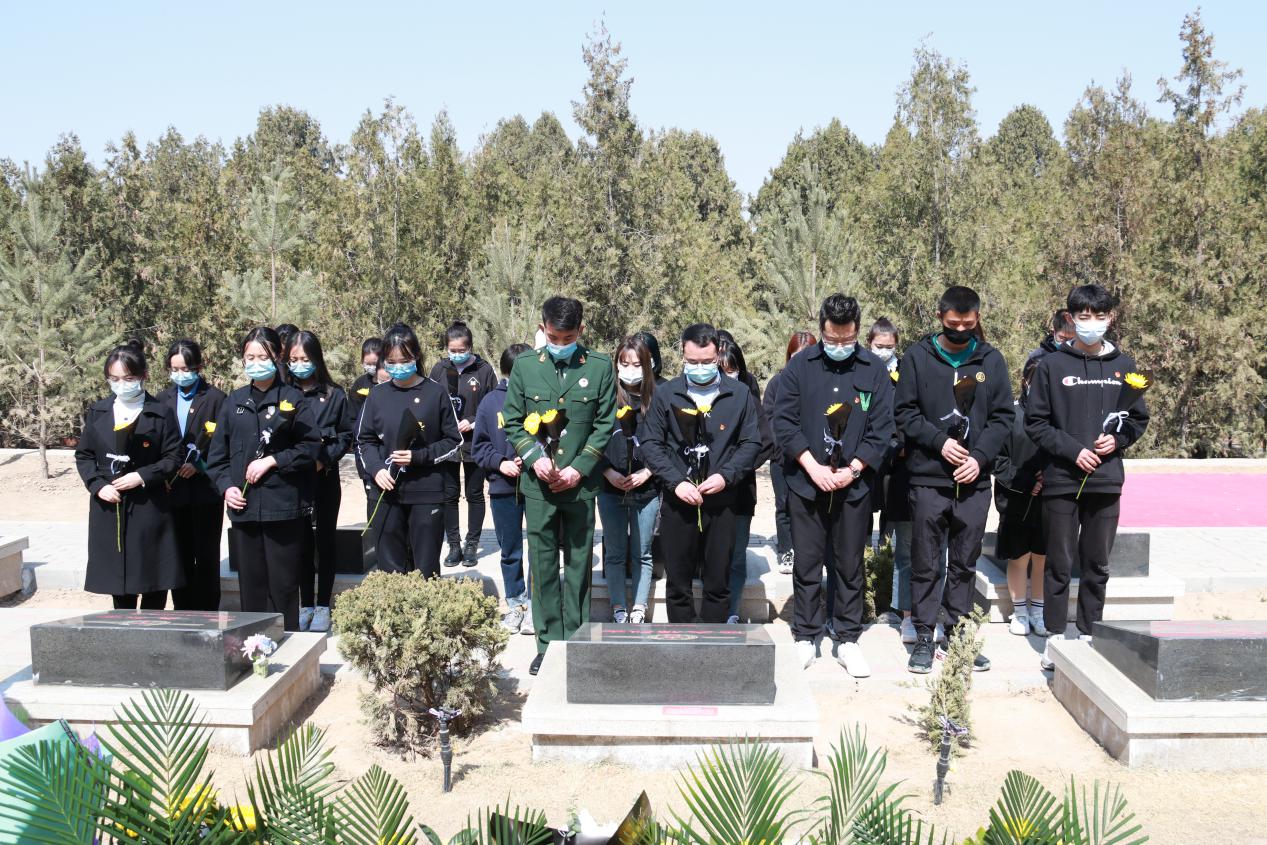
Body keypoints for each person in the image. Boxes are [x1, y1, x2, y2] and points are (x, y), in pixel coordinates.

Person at [1026, 284, 1149, 670]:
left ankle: (1090, 633)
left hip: (1106, 480)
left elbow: (1138, 419)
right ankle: (1054, 638)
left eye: (1099, 316)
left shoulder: (1125, 366)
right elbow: (1036, 422)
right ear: (1070, 318)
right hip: (1062, 480)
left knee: (1097, 563)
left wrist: (1117, 440)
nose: (1091, 323)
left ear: (1110, 318)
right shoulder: (1052, 365)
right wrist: (1072, 450)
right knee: (1059, 563)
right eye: (1083, 316)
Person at [773, 296, 895, 676]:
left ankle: (847, 638)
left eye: (847, 339)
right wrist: (811, 466)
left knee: (849, 565)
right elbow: (784, 422)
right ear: (822, 329)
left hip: (853, 487)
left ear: (857, 331)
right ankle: (806, 634)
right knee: (807, 564)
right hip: (806, 484)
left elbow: (882, 428)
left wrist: (855, 469)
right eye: (832, 339)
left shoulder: (874, 370)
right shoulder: (801, 367)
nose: (839, 346)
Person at [894, 286, 1013, 674]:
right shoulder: (918, 357)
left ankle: (957, 634)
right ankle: (924, 636)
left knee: (964, 562)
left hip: (973, 482)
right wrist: (939, 442)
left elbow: (1002, 418)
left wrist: (979, 458)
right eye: (953, 323)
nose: (960, 329)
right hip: (929, 479)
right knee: (926, 562)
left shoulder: (991, 360)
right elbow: (905, 413)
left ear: (977, 318)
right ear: (939, 316)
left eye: (968, 323)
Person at [503, 296, 616, 676]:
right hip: (540, 486)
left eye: (568, 338)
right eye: (553, 337)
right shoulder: (525, 366)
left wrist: (579, 469)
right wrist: (535, 458)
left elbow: (603, 425)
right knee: (544, 563)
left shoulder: (599, 367)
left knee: (579, 564)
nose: (560, 344)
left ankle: (577, 641)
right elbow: (513, 421)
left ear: (581, 331)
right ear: (542, 329)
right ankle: (548, 643)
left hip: (579, 487)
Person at [642, 323, 761, 624]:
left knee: (718, 582)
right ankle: (682, 641)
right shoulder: (667, 394)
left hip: (722, 502)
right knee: (677, 583)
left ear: (718, 354)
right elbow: (651, 443)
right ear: (682, 354)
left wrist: (725, 476)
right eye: (692, 361)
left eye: (706, 361)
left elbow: (751, 443)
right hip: (678, 502)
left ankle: (714, 643)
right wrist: (676, 481)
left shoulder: (739, 394)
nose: (699, 368)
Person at [207, 327, 320, 630]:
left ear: (277, 356)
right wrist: (226, 488)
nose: (255, 363)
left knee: (283, 585)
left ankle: (287, 640)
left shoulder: (293, 399)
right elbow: (217, 458)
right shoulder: (234, 401)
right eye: (249, 357)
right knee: (252, 585)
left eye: (262, 357)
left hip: (282, 508)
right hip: (244, 510)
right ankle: (253, 643)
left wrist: (273, 460)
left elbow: (310, 448)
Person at [76, 340, 184, 610]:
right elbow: (84, 455)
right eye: (114, 379)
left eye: (128, 378)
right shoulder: (98, 411)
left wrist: (142, 475)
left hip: (149, 505)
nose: (121, 385)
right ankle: (122, 626)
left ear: (143, 376)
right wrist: (97, 485)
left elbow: (173, 457)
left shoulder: (161, 412)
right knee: (118, 578)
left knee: (153, 577)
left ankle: (152, 627)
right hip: (110, 503)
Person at [355, 323, 462, 577]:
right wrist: (376, 469)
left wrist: (418, 456)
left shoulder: (435, 392)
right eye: (391, 362)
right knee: (390, 569)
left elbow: (453, 440)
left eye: (404, 360)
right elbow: (364, 440)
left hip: (426, 492)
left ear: (416, 356)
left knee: (425, 569)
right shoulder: (377, 395)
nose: (398, 367)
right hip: (386, 493)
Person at [287, 330, 354, 633]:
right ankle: (305, 604)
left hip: (324, 478)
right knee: (301, 543)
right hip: (293, 482)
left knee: (325, 541)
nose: (299, 365)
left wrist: (323, 460)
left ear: (316, 359)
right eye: (294, 359)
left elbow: (345, 435)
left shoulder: (334, 394)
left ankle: (324, 605)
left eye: (305, 359)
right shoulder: (283, 393)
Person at [156, 339, 227, 611]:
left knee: (206, 555)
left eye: (185, 369)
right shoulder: (162, 399)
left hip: (205, 491)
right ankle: (183, 610)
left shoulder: (216, 399)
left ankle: (208, 611)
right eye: (174, 369)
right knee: (180, 555)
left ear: (198, 367)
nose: (180, 374)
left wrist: (200, 465)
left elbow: (223, 443)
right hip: (173, 490)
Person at [472, 342, 535, 635]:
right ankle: (515, 604)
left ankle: (536, 606)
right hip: (503, 488)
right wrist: (500, 463)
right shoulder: (489, 403)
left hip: (536, 486)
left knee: (539, 550)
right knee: (510, 550)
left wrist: (533, 457)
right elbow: (479, 447)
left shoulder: (540, 398)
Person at [596, 335, 660, 624]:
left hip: (647, 490)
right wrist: (607, 472)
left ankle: (639, 608)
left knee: (642, 552)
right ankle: (619, 607)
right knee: (615, 552)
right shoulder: (605, 397)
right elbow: (592, 440)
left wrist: (648, 472)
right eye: (625, 364)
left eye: (637, 364)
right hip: (611, 489)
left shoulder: (658, 398)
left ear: (648, 365)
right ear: (616, 365)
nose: (630, 370)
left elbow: (667, 444)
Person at [430, 321, 498, 567]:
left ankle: (472, 544)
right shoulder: (439, 369)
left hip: (474, 443)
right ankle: (454, 545)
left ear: (470, 347)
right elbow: (430, 403)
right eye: (452, 350)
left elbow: (492, 404)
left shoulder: (484, 370)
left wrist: (473, 421)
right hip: (447, 443)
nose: (457, 354)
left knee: (474, 493)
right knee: (449, 495)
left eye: (461, 350)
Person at [717, 336, 771, 624]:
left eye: (732, 370)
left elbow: (766, 442)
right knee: (712, 555)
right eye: (721, 370)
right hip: (707, 494)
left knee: (737, 556)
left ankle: (733, 612)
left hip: (740, 493)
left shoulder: (749, 399)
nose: (727, 376)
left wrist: (738, 469)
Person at [994, 356, 1047, 637]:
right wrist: (1027, 481)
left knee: (1042, 558)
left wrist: (1049, 476)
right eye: (1037, 380)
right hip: (1016, 500)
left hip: (1049, 500)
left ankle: (1038, 611)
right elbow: (997, 459)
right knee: (1019, 557)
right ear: (1025, 381)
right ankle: (1020, 612)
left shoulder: (1059, 417)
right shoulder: (1010, 416)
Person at [763, 331, 817, 575]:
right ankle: (786, 550)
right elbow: (770, 420)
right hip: (783, 458)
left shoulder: (820, 383)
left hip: (813, 459)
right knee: (783, 505)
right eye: (796, 356)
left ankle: (808, 550)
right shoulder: (778, 383)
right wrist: (786, 448)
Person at [348, 337, 383, 422]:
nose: (371, 367)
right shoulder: (359, 384)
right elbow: (352, 415)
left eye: (374, 364)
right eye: (367, 364)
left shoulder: (392, 381)